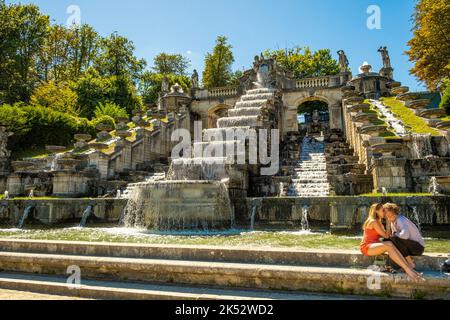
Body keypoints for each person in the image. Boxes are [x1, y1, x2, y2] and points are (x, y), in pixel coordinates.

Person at [360, 203, 422, 280]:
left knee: (390, 243)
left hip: (374, 245)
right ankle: (408, 269)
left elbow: (388, 235)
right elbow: (386, 236)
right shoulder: (373, 221)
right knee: (389, 245)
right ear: (376, 211)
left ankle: (409, 268)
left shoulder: (379, 222)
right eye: (383, 211)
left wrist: (388, 223)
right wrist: (388, 222)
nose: (384, 213)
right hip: (367, 247)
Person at [383, 203, 425, 269]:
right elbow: (389, 236)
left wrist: (395, 234)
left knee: (393, 238)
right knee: (387, 240)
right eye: (384, 211)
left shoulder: (401, 220)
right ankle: (392, 265)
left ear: (392, 211)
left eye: (385, 211)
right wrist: (388, 225)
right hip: (409, 248)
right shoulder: (392, 221)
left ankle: (410, 262)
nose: (384, 213)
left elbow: (405, 236)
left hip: (418, 248)